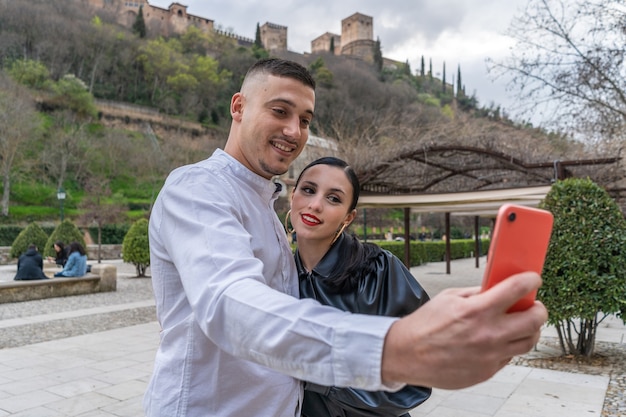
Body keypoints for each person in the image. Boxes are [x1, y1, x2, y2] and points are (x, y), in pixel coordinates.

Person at [144, 58, 548, 417]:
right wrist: (400, 347)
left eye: (304, 120)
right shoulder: (198, 188)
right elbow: (229, 303)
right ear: (239, 107)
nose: (293, 130)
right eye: (280, 111)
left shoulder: (266, 207)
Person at [289, 157, 431, 416]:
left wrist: (323, 379)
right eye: (308, 190)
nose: (315, 204)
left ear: (349, 217)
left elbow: (420, 370)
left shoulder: (378, 270)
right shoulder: (276, 273)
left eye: (334, 198)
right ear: (292, 196)